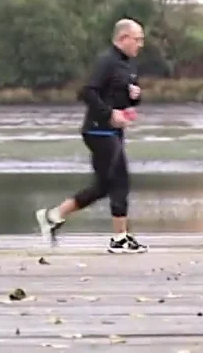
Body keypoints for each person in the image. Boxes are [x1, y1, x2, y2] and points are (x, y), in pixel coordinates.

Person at [35, 18, 147, 253]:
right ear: (123, 38)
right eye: (137, 39)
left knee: (105, 185)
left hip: (113, 131)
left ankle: (53, 215)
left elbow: (121, 97)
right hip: (98, 129)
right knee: (119, 180)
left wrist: (134, 97)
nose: (140, 44)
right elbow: (86, 92)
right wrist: (109, 114)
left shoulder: (129, 65)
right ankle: (120, 238)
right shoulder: (106, 61)